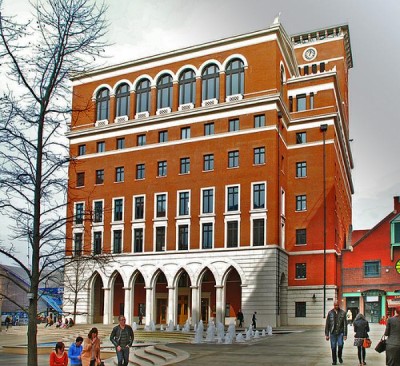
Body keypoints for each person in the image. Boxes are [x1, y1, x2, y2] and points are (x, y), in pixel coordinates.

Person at [325, 300, 347, 365]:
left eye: (337, 305)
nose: (336, 306)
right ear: (333, 305)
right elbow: (327, 324)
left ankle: (339, 356)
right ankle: (334, 361)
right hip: (332, 333)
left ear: (339, 305)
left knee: (340, 345)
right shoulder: (330, 313)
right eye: (335, 305)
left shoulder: (343, 313)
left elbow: (345, 324)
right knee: (333, 347)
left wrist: (345, 334)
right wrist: (327, 334)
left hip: (340, 333)